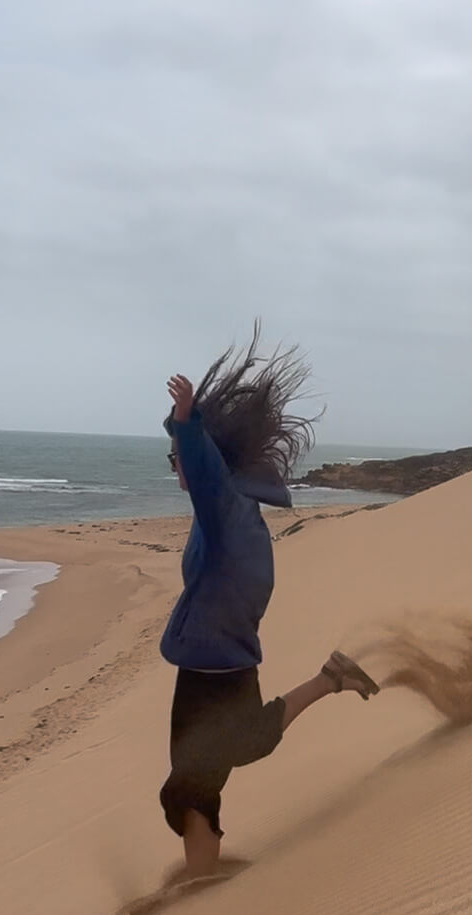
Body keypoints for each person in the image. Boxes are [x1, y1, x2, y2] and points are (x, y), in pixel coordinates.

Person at [158, 325, 380, 880]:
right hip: (211, 663)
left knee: (192, 783)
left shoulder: (225, 508)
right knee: (214, 768)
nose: (176, 469)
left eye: (175, 460)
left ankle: (202, 883)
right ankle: (331, 676)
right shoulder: (233, 515)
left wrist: (186, 424)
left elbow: (206, 472)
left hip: (218, 667)